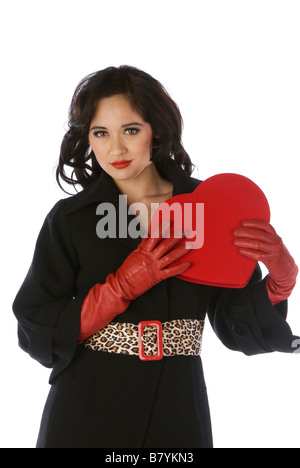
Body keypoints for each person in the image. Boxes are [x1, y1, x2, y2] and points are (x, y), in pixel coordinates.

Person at [13, 65, 299, 448]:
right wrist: (121, 287)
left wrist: (280, 280)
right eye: (101, 133)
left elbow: (235, 326)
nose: (115, 149)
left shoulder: (210, 208)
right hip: (86, 407)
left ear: (157, 130)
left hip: (178, 406)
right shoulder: (71, 218)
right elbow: (35, 324)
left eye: (131, 130)